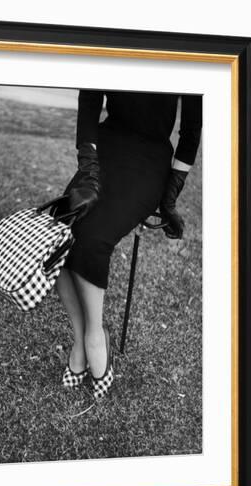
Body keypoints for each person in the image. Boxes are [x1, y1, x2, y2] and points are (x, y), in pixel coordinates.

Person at [56, 89, 202, 400]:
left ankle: (96, 336)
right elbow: (90, 99)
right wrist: (88, 167)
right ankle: (81, 339)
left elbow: (190, 131)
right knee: (61, 233)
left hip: (150, 160)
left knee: (93, 240)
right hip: (104, 149)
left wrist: (171, 194)